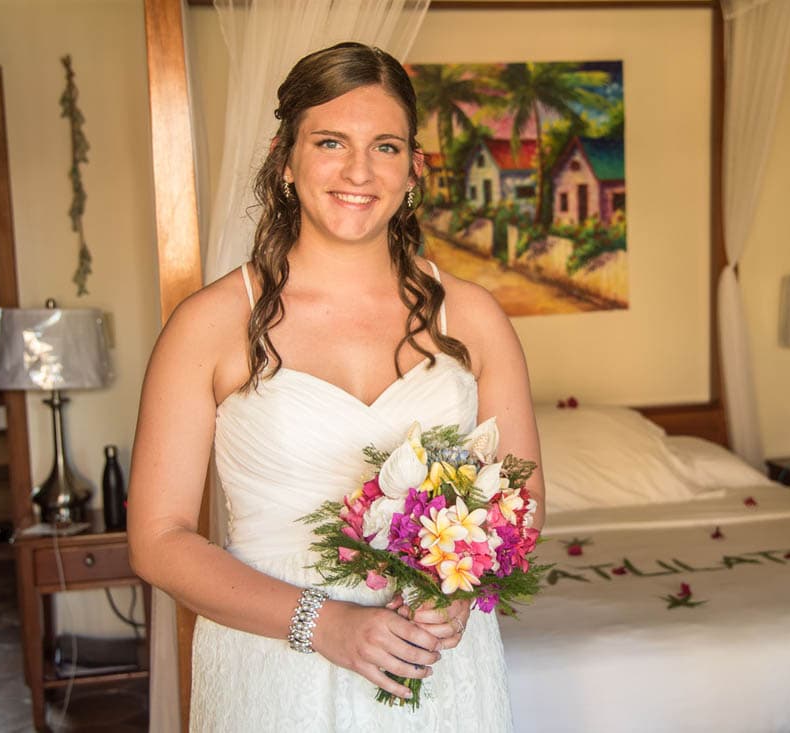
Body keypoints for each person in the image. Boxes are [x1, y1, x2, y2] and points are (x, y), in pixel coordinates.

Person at [127, 42, 544, 731]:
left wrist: (463, 591)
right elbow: (158, 538)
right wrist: (322, 624)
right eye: (330, 141)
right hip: (274, 668)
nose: (358, 170)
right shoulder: (208, 325)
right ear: (284, 157)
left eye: (385, 146)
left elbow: (522, 497)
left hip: (437, 668)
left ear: (413, 169)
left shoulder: (472, 318)